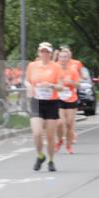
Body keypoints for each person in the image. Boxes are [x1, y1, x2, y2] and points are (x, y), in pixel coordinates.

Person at [25, 42, 64, 171]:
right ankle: (40, 156)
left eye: (47, 51)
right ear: (38, 52)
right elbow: (27, 80)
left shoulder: (56, 67)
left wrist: (51, 85)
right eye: (42, 51)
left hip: (51, 103)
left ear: (51, 53)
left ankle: (51, 160)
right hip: (36, 102)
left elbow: (61, 87)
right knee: (37, 133)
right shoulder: (32, 66)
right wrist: (29, 87)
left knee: (50, 136)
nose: (44, 53)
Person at [55, 47, 80, 153]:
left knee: (69, 124)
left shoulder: (73, 70)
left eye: (65, 57)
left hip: (71, 99)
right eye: (61, 57)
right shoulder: (55, 69)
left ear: (68, 58)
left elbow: (78, 85)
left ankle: (68, 146)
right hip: (58, 99)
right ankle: (59, 140)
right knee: (60, 123)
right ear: (58, 58)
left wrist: (72, 83)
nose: (63, 59)